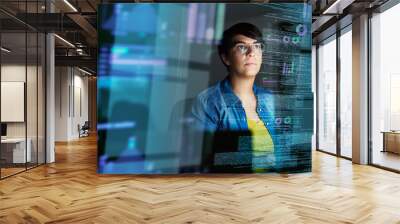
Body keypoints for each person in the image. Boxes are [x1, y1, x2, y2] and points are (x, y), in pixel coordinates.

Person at [192, 22, 278, 172]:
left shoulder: (269, 99)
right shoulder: (209, 101)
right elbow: (201, 160)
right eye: (242, 46)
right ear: (226, 58)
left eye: (257, 46)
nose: (252, 52)